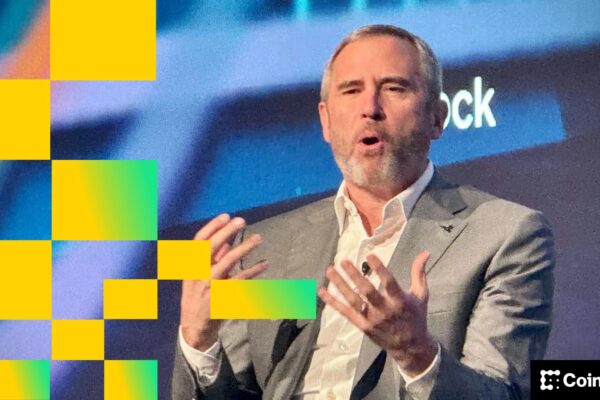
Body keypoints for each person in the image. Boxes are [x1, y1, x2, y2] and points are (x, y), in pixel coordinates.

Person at [172, 25, 554, 399]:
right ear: (325, 121)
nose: (370, 109)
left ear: (437, 117)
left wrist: (417, 354)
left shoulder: (504, 235)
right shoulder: (264, 248)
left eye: (394, 88)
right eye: (351, 90)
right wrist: (199, 343)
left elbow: (501, 392)